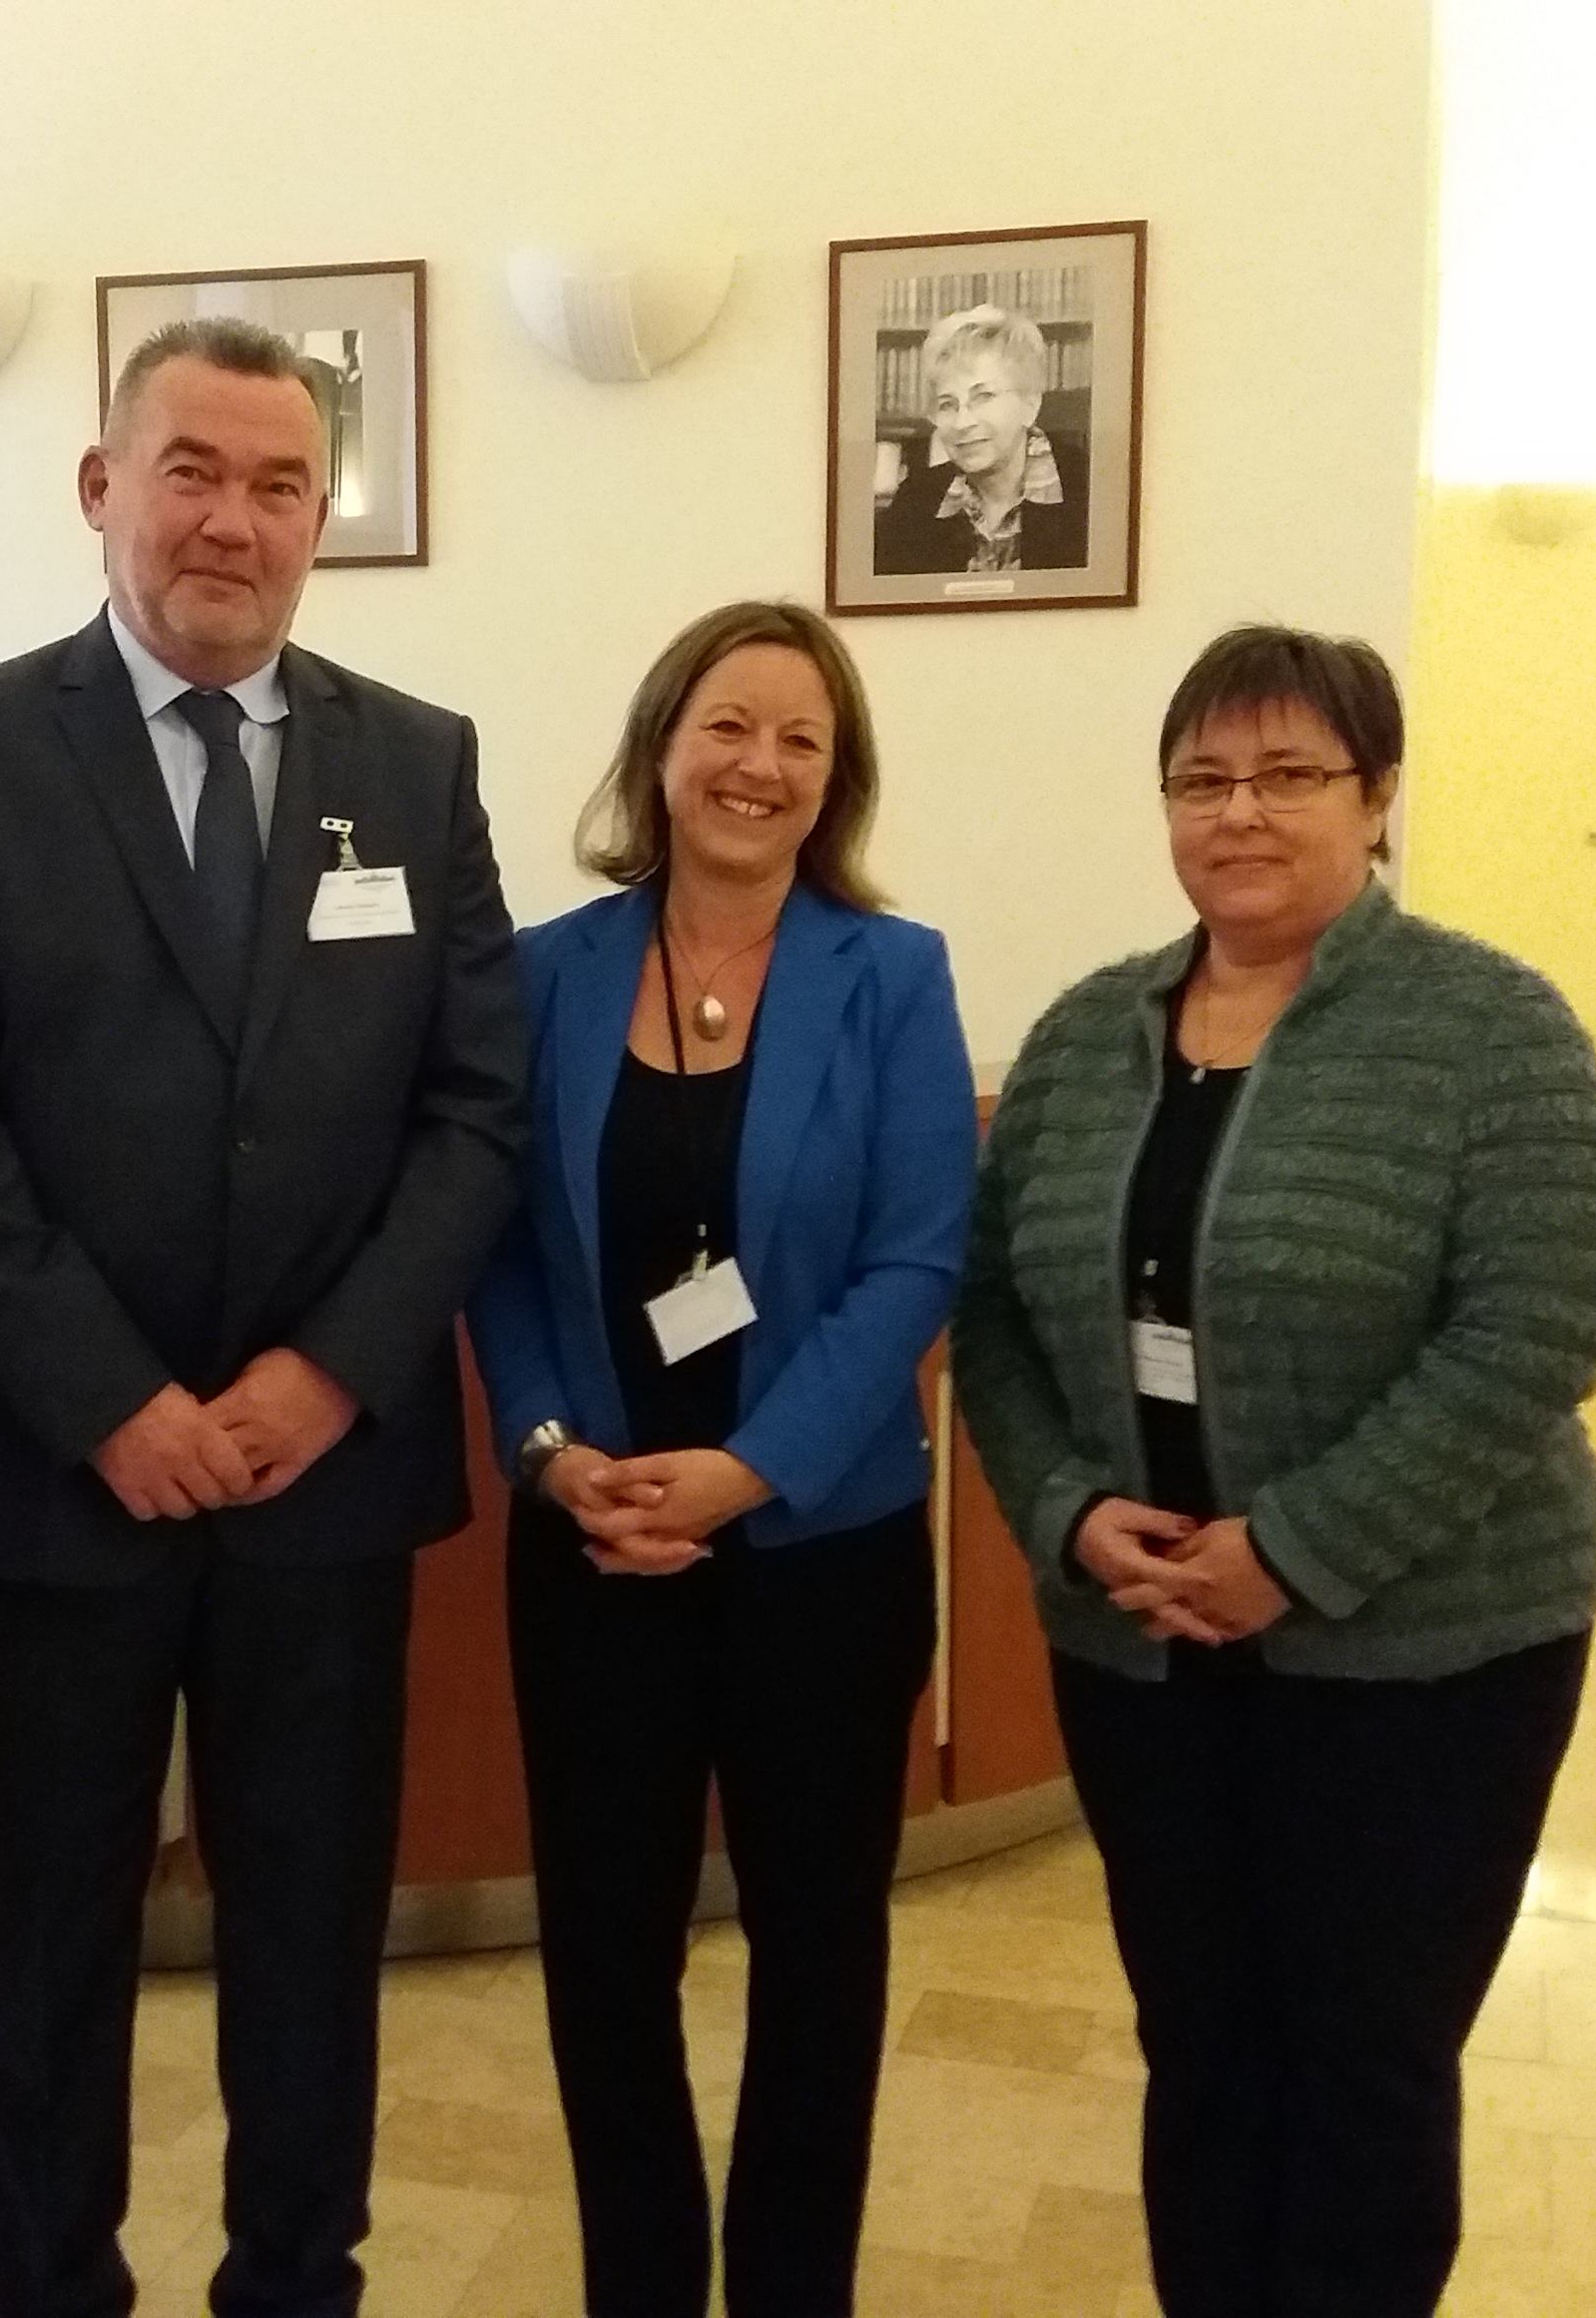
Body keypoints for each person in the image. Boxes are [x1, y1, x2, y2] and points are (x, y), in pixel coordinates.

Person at [0, 315, 529, 2318]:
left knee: (311, 1943)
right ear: (101, 487)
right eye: (192, 472)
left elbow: (477, 1108)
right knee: (52, 1943)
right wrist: (109, 1400)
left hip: (326, 1486)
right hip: (66, 1483)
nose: (233, 521)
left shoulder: (417, 761)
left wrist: (328, 1375)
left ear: (324, 516)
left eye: (279, 484)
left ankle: (296, 2285)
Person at [951, 624, 1596, 2317]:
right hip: (1142, 1649)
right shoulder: (1084, 1035)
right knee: (1199, 2040)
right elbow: (994, 1311)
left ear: (1376, 795)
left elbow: (1534, 1330)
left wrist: (1295, 1548)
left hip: (1428, 1660)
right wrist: (1063, 1512)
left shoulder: (1493, 1030)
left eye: (1287, 775)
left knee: (1365, 2059)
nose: (1238, 812)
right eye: (1201, 779)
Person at [463, 601, 973, 2318]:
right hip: (592, 1550)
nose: (758, 764)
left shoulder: (890, 975)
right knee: (603, 1964)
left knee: (818, 1962)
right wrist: (549, 1452)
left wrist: (748, 1469)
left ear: (836, 780)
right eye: (727, 726)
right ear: (661, 748)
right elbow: (500, 1251)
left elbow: (915, 1258)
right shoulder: (543, 973)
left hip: (820, 1555)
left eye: (799, 739)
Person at [868, 304, 1092, 577]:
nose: (962, 423)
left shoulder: (1091, 491)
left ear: (1030, 405)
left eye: (983, 396)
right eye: (947, 404)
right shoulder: (916, 501)